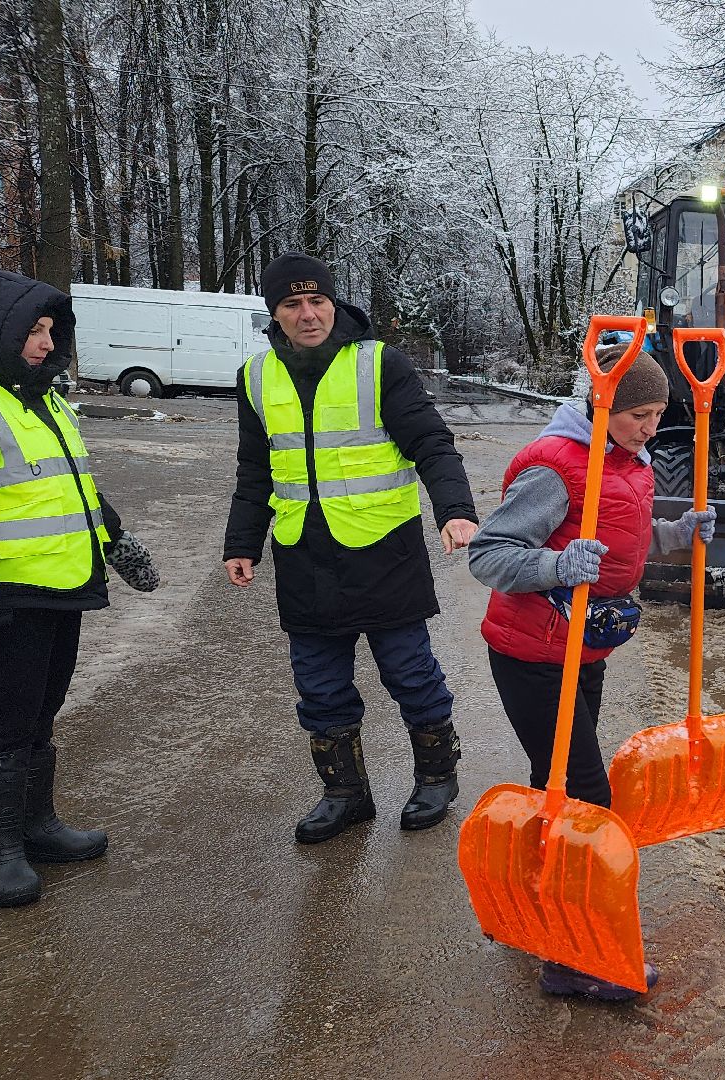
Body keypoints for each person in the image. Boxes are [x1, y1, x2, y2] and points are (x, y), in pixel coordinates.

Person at [0, 270, 161, 908]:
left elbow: (75, 487)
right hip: (3, 594)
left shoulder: (38, 397)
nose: (47, 343)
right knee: (5, 722)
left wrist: (116, 539)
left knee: (41, 714)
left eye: (49, 330)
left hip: (61, 585)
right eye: (33, 331)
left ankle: (39, 826)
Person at [466, 344, 714, 1002]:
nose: (652, 428)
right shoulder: (557, 466)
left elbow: (618, 537)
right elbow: (490, 556)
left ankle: (535, 902)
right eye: (640, 414)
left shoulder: (629, 459)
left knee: (554, 784)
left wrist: (675, 532)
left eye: (659, 414)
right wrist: (554, 567)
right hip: (533, 655)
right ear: (603, 405)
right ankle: (572, 958)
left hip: (584, 650)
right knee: (586, 797)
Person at [223, 253, 478, 844]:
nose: (307, 314)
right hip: (304, 556)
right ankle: (345, 793)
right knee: (318, 684)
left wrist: (456, 511)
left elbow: (432, 444)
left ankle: (438, 776)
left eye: (317, 301)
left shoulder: (378, 363)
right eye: (292, 304)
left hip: (384, 551)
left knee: (410, 673)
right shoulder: (256, 376)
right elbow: (254, 469)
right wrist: (243, 543)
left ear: (334, 304)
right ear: (275, 313)